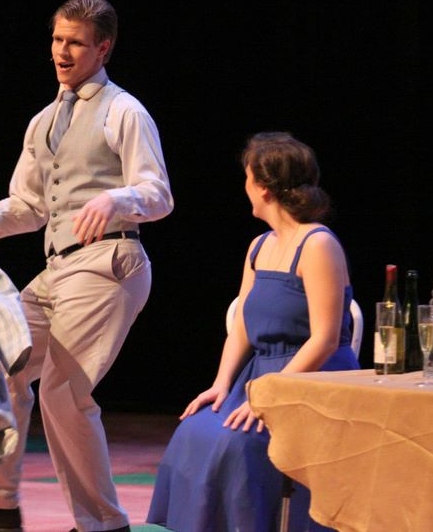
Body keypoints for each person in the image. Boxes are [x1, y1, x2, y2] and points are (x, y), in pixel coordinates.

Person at [0, 0, 174, 532]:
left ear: (103, 48)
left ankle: (103, 524)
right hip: (59, 268)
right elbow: (29, 207)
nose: (63, 52)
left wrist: (116, 198)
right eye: (58, 39)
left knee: (62, 393)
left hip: (110, 261)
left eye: (76, 43)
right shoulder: (43, 121)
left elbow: (158, 194)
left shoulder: (123, 111)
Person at [147, 132, 359, 532]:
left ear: (263, 187)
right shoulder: (259, 246)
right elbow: (242, 324)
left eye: (247, 178)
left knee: (236, 444)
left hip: (311, 381)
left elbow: (325, 338)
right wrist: (221, 384)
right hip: (259, 376)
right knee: (194, 432)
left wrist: (271, 395)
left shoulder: (318, 245)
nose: (244, 187)